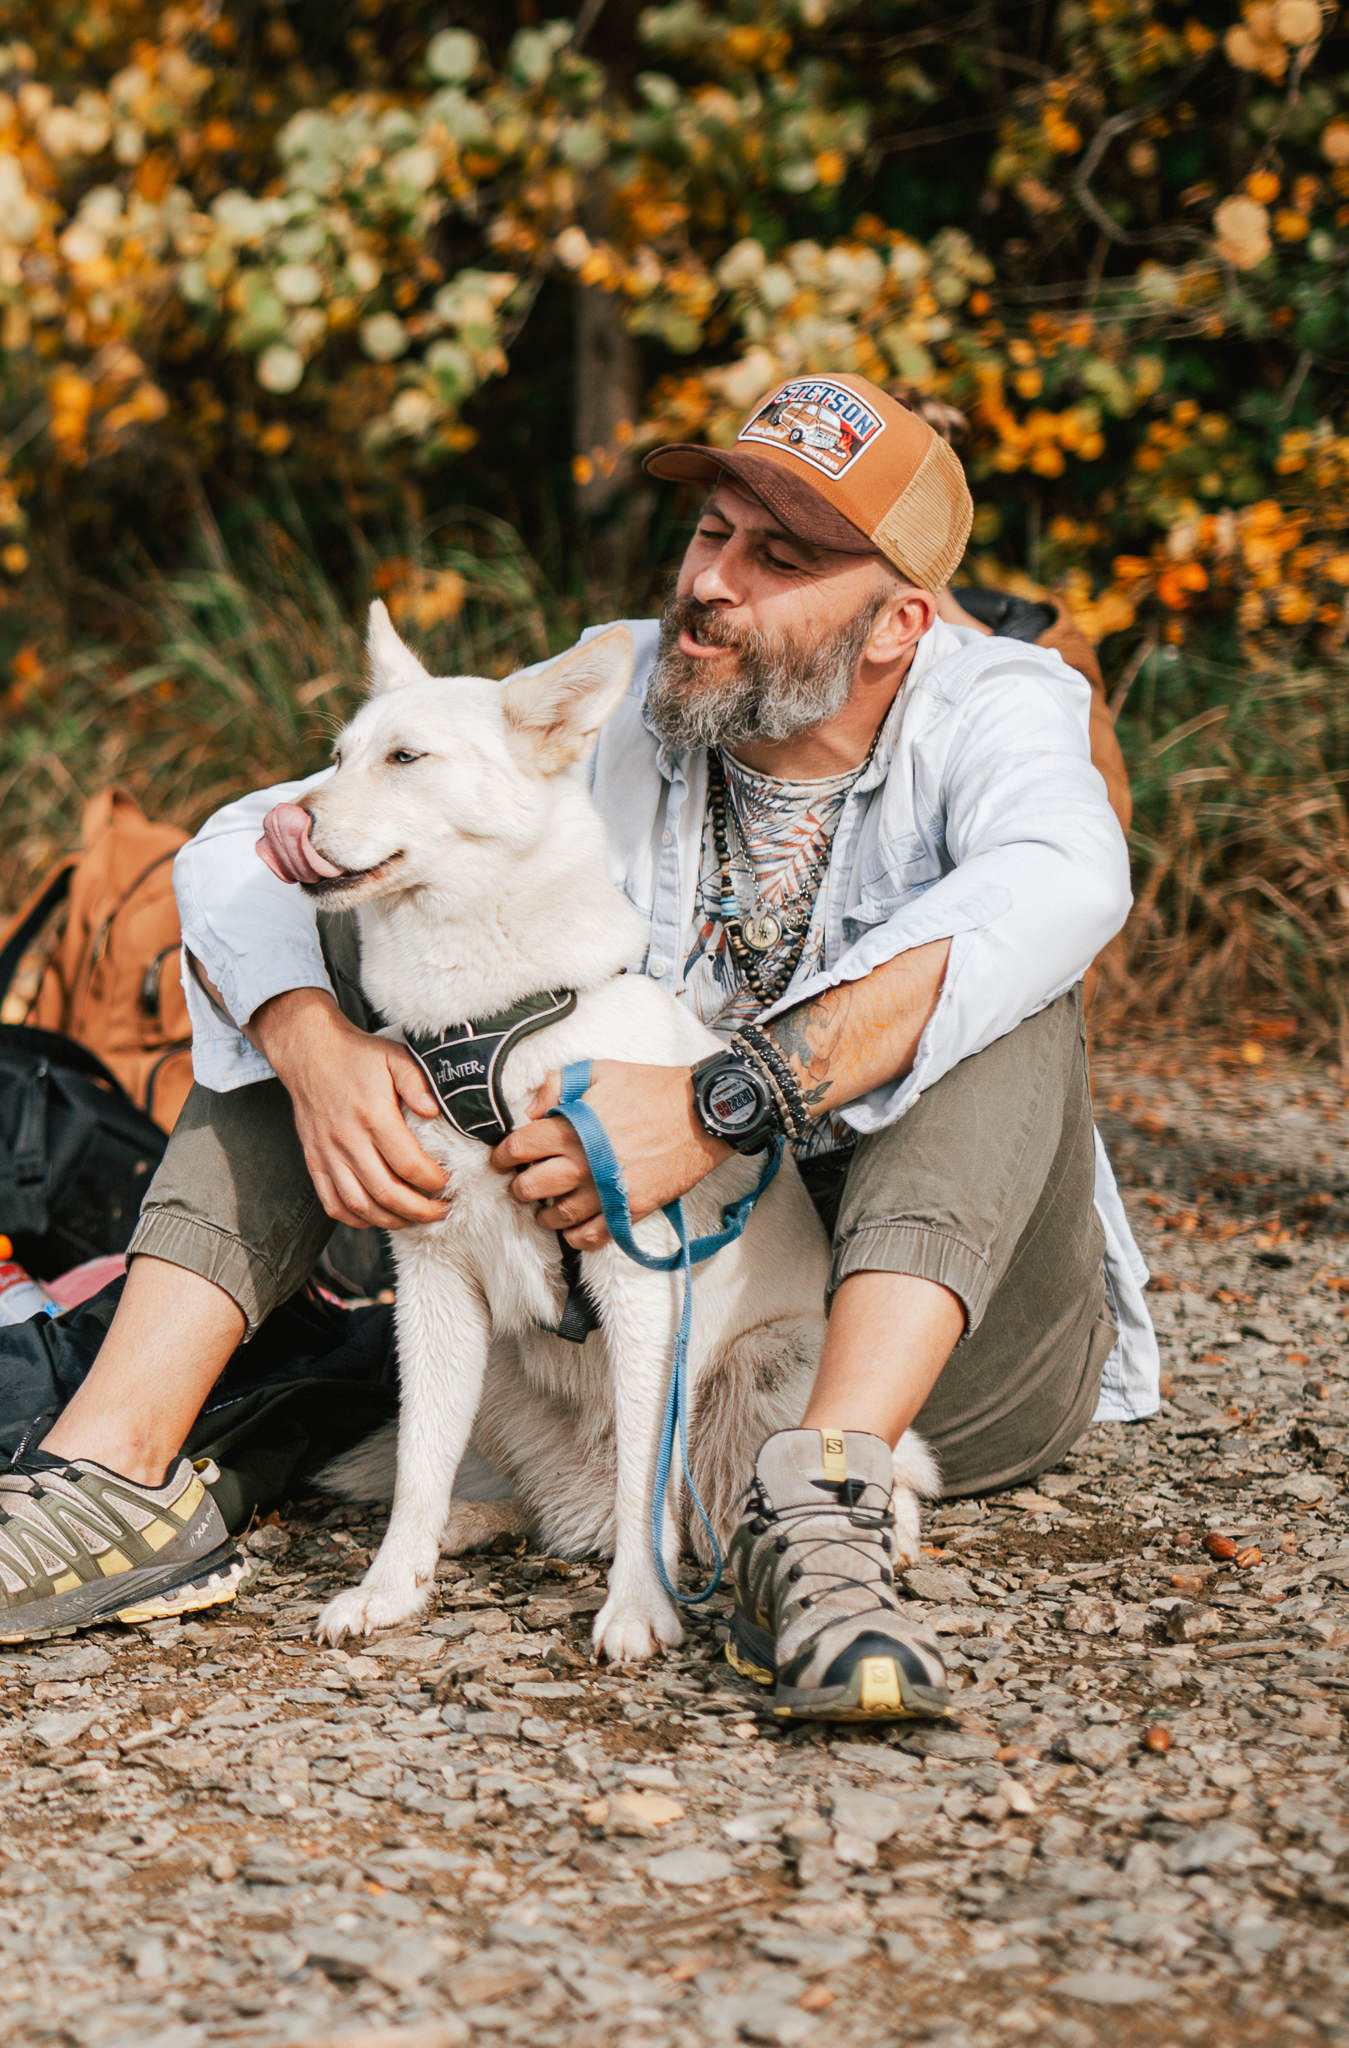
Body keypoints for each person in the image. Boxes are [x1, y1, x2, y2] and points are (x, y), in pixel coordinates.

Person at [0, 374, 1158, 1721]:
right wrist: (311, 1045)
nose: (710, 582)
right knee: (328, 919)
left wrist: (727, 1102)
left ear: (900, 623)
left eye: (777, 558)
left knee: (1006, 981)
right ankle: (114, 1476)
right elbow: (242, 845)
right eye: (710, 532)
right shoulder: (623, 683)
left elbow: (1065, 882)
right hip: (590, 1341)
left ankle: (823, 1505)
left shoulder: (1000, 703)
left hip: (945, 1347)